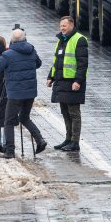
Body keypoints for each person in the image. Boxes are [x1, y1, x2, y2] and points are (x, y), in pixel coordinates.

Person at [0, 28, 47, 158]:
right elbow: (38, 64)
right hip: (30, 92)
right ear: (24, 38)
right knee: (24, 118)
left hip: (15, 94)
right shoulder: (31, 50)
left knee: (8, 121)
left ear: (12, 40)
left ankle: (9, 151)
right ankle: (40, 140)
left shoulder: (8, 55)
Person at [47, 16, 88, 152]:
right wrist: (50, 77)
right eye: (61, 26)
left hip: (72, 83)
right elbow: (57, 61)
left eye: (64, 26)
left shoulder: (79, 39)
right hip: (61, 82)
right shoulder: (61, 40)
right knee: (65, 112)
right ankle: (68, 139)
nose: (62, 28)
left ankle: (75, 142)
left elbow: (83, 64)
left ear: (71, 25)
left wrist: (78, 81)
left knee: (74, 113)